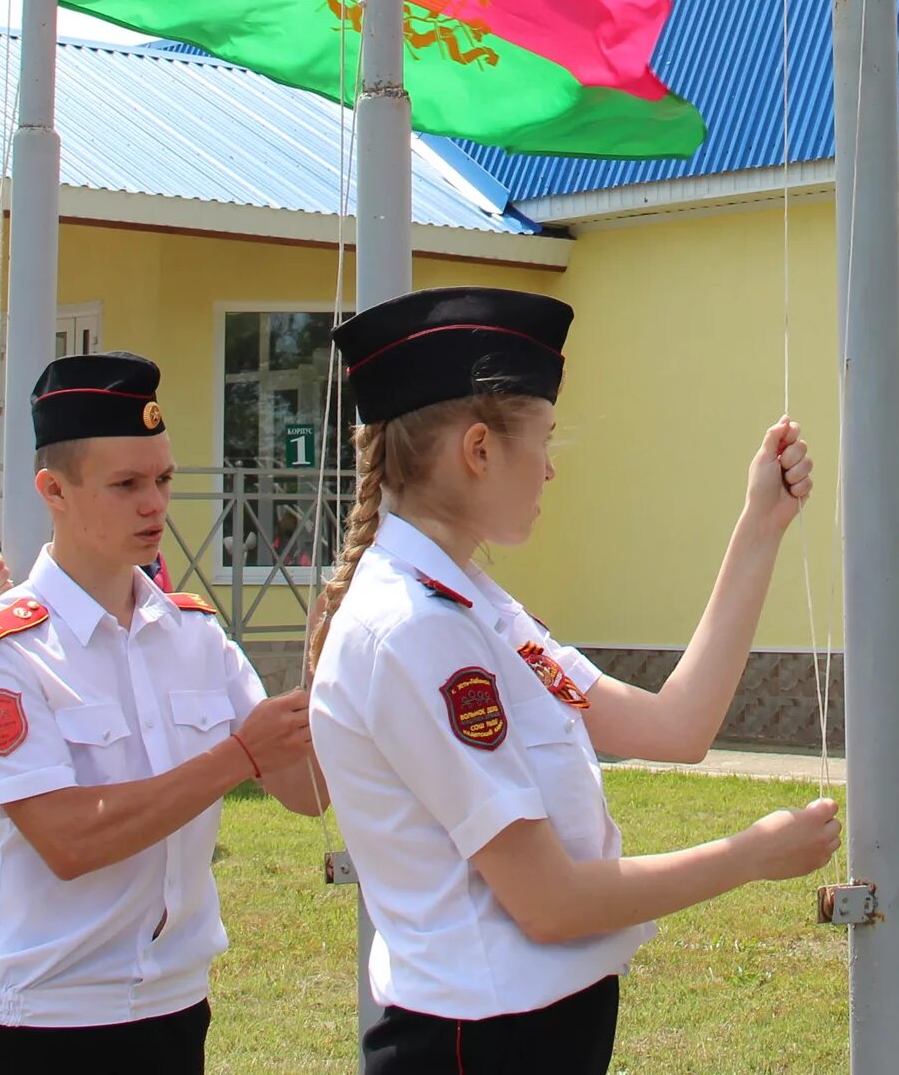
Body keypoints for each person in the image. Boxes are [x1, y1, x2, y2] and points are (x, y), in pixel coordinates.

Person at [307, 286, 843, 1074]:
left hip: (530, 1030)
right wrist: (748, 856)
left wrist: (760, 523)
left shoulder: (474, 607)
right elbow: (550, 903)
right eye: (544, 441)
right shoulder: (418, 630)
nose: (552, 470)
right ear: (479, 450)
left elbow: (675, 728)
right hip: (480, 1044)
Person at [0, 351, 326, 1072]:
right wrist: (237, 757)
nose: (154, 505)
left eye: (164, 479)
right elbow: (66, 842)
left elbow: (306, 794)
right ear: (52, 489)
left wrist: (335, 685)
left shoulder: (193, 633)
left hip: (175, 1008)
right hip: (47, 1024)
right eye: (126, 485)